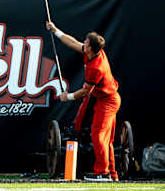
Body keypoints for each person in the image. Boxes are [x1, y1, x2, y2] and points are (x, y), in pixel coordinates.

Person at [46, 21, 121, 182]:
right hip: (102, 98)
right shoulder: (92, 52)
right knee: (106, 139)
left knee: (98, 135)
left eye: (85, 43)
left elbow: (86, 92)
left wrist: (68, 97)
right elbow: (72, 42)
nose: (83, 44)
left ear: (90, 49)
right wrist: (55, 30)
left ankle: (102, 172)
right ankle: (112, 174)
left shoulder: (96, 67)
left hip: (108, 101)